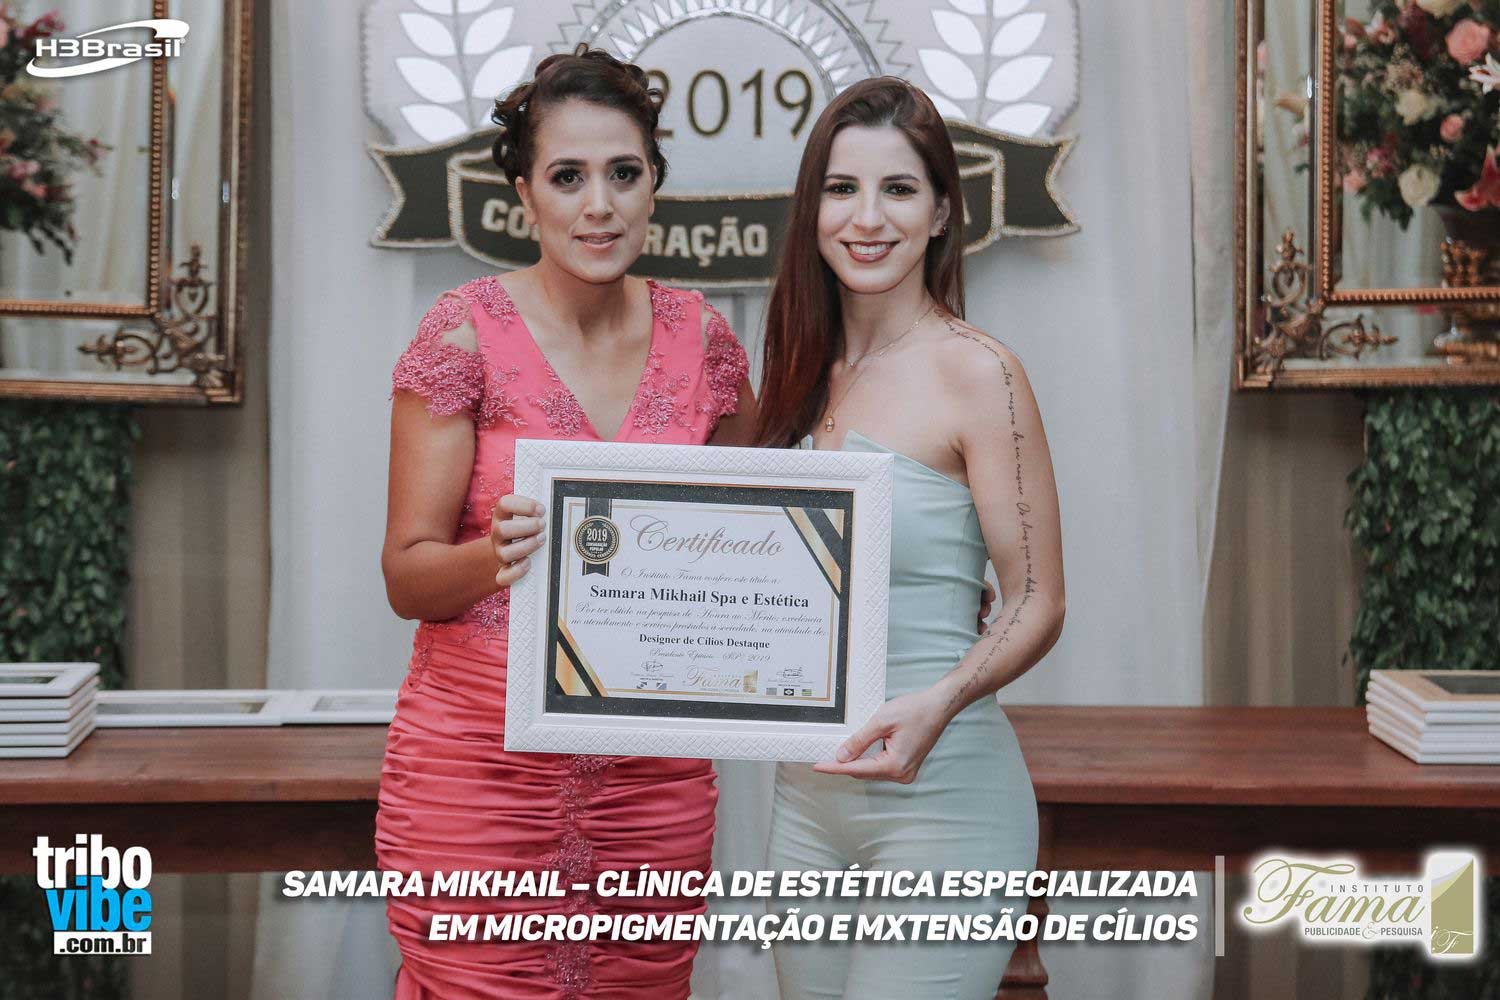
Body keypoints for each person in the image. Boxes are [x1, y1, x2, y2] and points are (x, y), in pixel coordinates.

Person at [376, 46, 753, 1000]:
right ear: (525, 195)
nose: (600, 205)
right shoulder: (463, 332)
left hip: (651, 779)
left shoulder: (705, 339)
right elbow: (407, 576)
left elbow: (758, 531)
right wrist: (492, 556)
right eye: (568, 177)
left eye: (624, 173)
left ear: (655, 183)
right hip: (479, 769)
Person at [754, 76, 1066, 999]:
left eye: (898, 189)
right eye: (842, 189)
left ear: (940, 213)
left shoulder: (980, 373)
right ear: (812, 211)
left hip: (946, 799)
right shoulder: (797, 372)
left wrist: (940, 701)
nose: (867, 218)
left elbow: (1039, 600)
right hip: (804, 806)